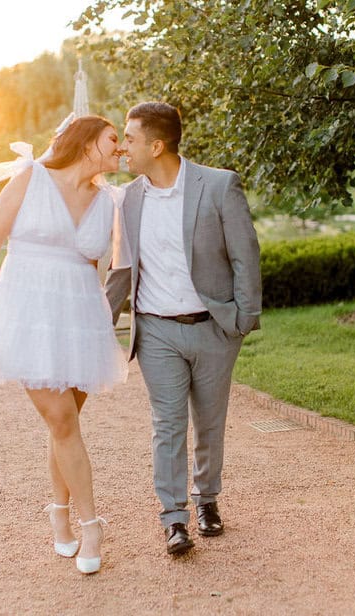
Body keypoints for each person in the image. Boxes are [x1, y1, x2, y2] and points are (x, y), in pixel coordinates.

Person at [0, 115, 128, 574]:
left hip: (81, 319)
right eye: (114, 141)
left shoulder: (108, 201)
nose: (121, 149)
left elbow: (101, 270)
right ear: (88, 141)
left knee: (64, 425)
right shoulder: (29, 176)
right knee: (62, 418)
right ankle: (91, 524)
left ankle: (58, 515)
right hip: (27, 315)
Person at [105, 102, 262, 555]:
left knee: (210, 422)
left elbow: (244, 256)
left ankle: (207, 498)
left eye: (130, 139)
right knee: (167, 425)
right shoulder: (128, 198)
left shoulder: (218, 185)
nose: (123, 149)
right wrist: (97, 323)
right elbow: (121, 268)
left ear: (157, 145)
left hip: (214, 328)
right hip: (155, 331)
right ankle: (174, 518)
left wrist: (242, 321)